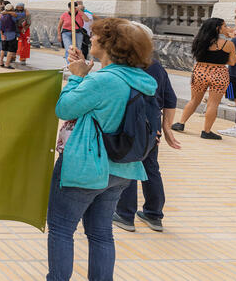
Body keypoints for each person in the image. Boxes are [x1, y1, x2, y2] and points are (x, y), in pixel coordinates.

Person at [47, 18, 155, 281]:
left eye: (94, 37)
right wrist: (85, 72)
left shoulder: (102, 81)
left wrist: (76, 78)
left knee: (62, 228)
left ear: (109, 44)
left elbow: (65, 108)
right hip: (122, 167)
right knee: (101, 232)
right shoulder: (139, 79)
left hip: (86, 166)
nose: (90, 39)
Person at [113, 22, 181, 234]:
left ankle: (125, 214)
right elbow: (170, 99)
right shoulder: (156, 66)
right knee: (150, 167)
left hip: (131, 125)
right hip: (152, 126)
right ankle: (153, 214)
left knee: (129, 165)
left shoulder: (126, 66)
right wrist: (166, 127)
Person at [173, 18, 236, 139]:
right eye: (224, 26)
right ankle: (206, 131)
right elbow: (232, 62)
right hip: (219, 74)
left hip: (200, 72)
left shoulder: (199, 41)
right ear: (218, 28)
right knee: (213, 104)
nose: (227, 28)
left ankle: (180, 123)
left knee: (194, 100)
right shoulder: (227, 44)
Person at [0, 4, 19, 69]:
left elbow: (0, 27)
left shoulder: (1, 16)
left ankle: (1, 62)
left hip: (4, 34)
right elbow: (17, 17)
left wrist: (1, 34)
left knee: (3, 49)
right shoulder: (12, 16)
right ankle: (7, 64)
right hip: (11, 34)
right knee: (10, 49)